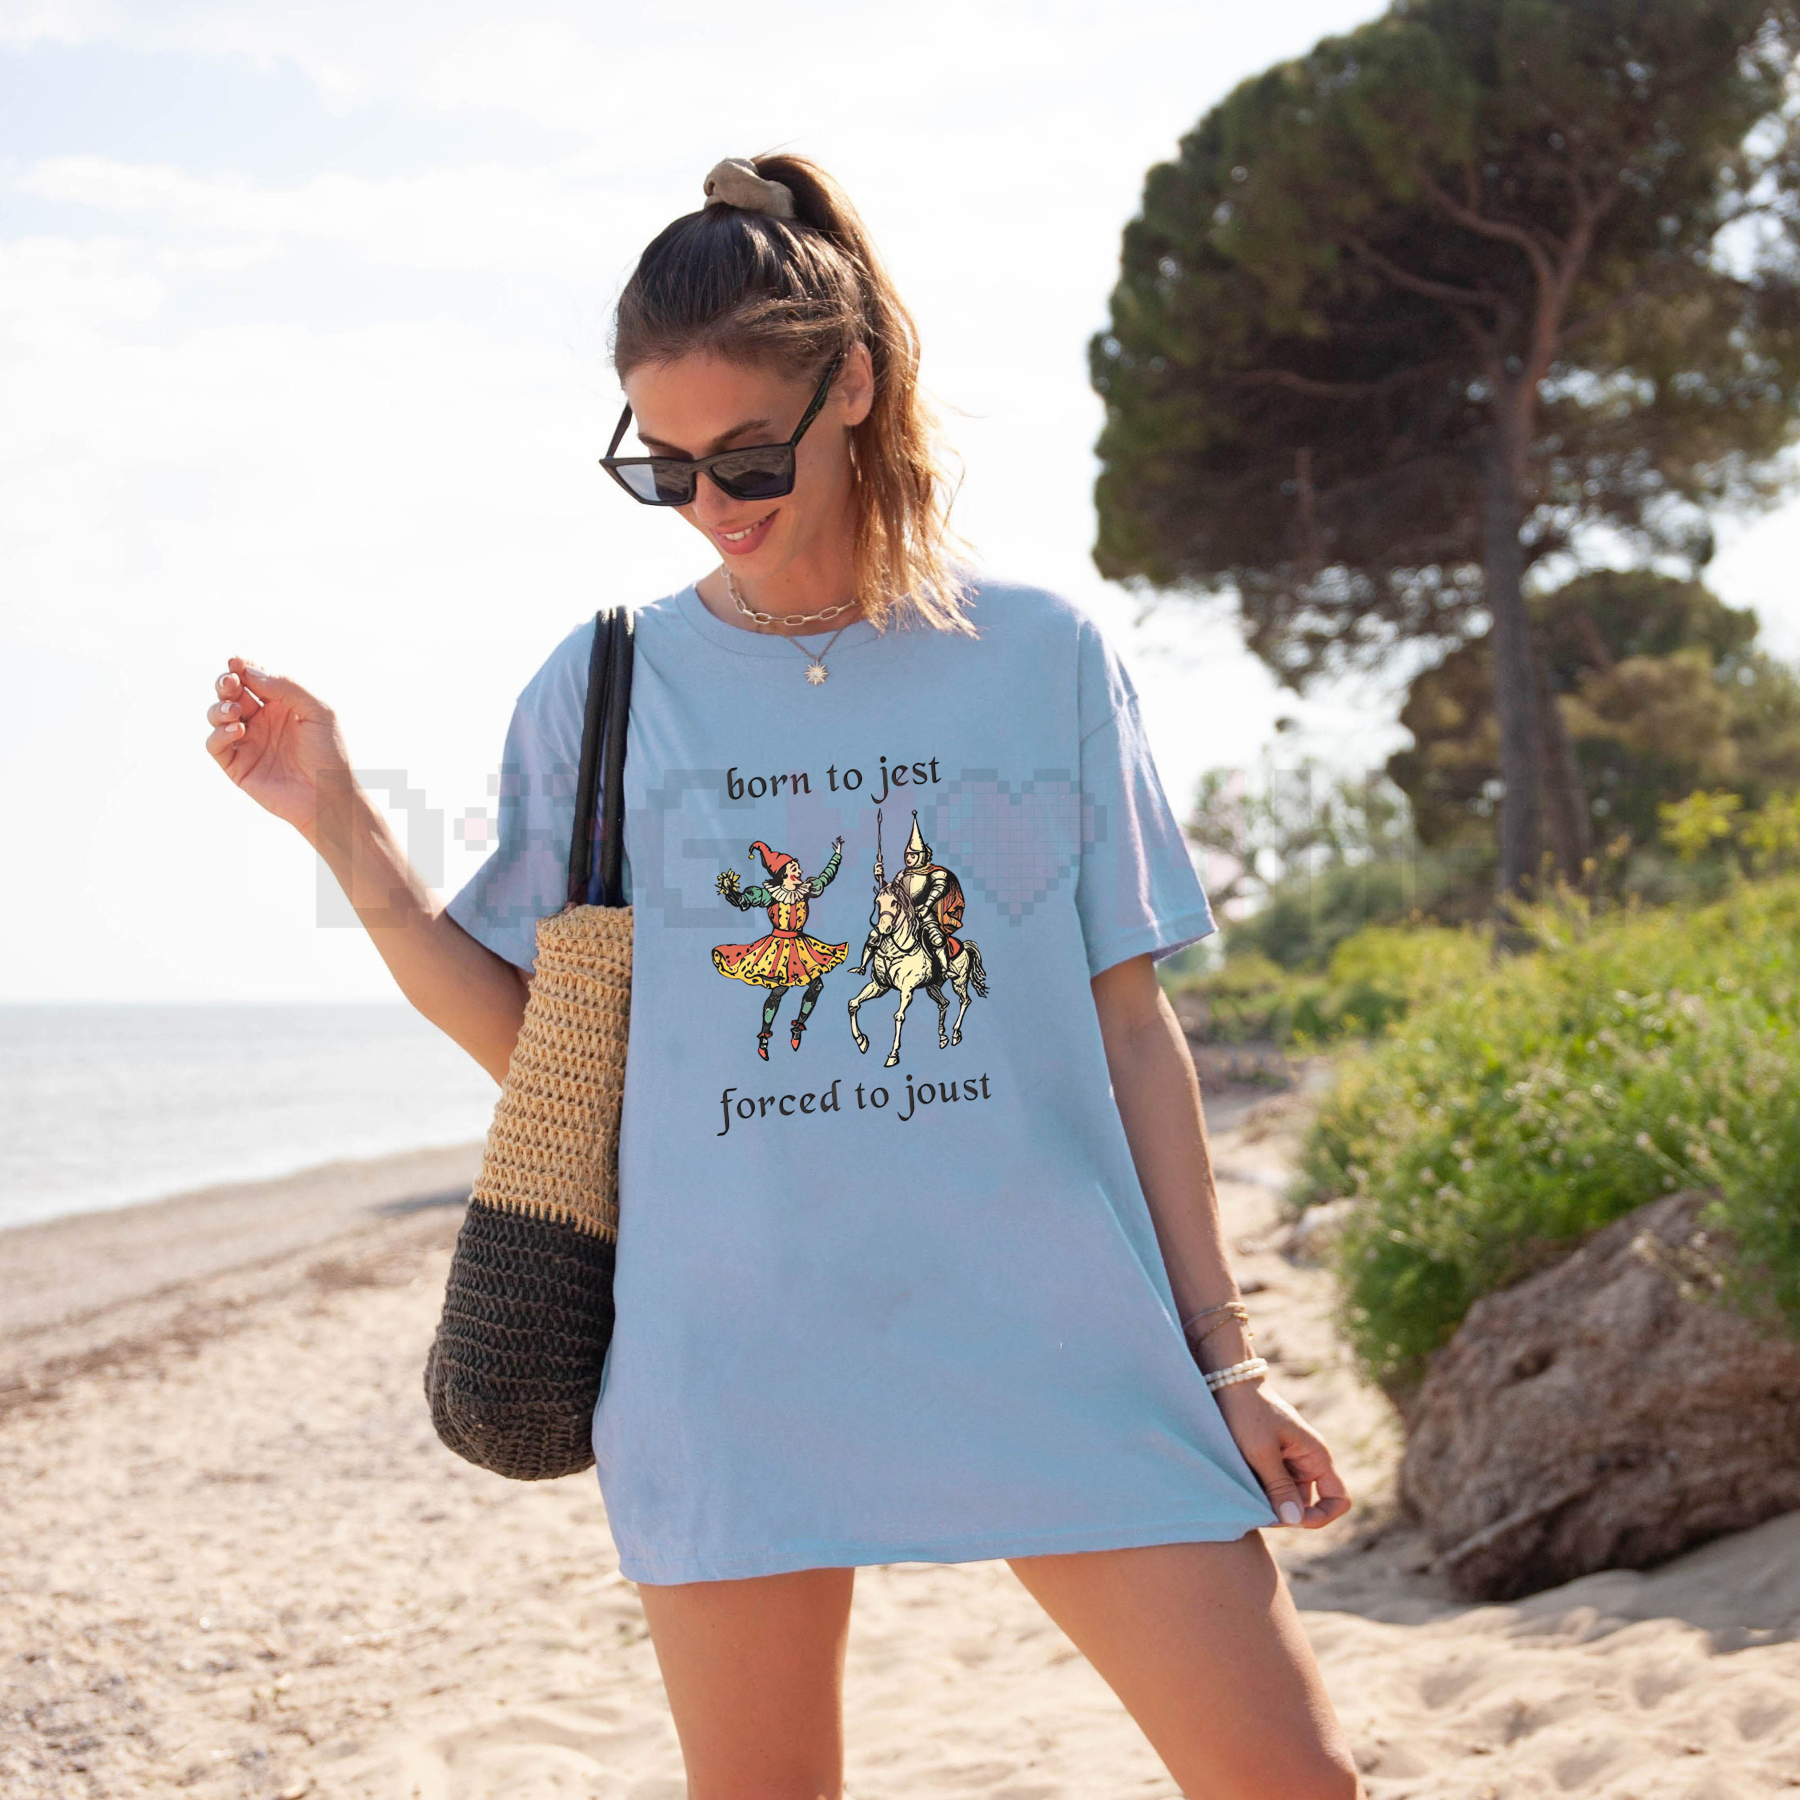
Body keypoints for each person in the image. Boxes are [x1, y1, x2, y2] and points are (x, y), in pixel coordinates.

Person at [203, 152, 1361, 1800]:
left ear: (855, 387)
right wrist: (340, 821)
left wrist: (1226, 1361)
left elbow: (1128, 1026)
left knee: (1295, 1781)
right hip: (731, 1363)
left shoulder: (1039, 657)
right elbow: (553, 1060)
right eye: (660, 467)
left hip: (1056, 1335)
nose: (713, 503)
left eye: (749, 455)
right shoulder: (604, 689)